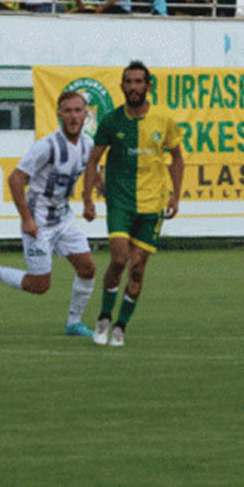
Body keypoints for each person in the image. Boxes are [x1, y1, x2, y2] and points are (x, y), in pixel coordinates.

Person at [0, 90, 98, 337]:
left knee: (88, 269)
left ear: (86, 114)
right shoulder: (47, 146)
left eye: (78, 110)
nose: (73, 116)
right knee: (39, 286)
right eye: (68, 111)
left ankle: (74, 323)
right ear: (59, 114)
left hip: (63, 217)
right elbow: (15, 178)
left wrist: (88, 200)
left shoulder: (88, 144)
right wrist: (27, 219)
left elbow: (93, 170)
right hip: (38, 220)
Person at [83, 61, 184, 347]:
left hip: (153, 205)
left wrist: (176, 194)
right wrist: (87, 198)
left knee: (137, 268)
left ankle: (121, 326)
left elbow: (177, 159)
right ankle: (104, 316)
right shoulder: (111, 121)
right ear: (122, 86)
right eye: (128, 82)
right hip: (120, 203)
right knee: (118, 259)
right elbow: (93, 160)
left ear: (148, 86)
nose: (133, 87)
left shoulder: (163, 121)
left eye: (139, 81)